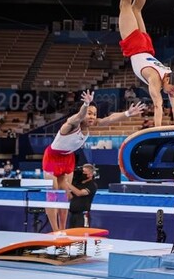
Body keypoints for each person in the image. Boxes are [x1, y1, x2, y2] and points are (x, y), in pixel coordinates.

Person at [43, 91, 145, 231]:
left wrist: (127, 113)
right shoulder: (70, 125)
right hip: (53, 157)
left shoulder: (92, 124)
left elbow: (108, 119)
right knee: (53, 195)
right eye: (89, 113)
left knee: (65, 195)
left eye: (94, 114)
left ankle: (62, 230)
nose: (92, 117)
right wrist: (86, 104)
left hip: (68, 157)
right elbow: (79, 116)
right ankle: (55, 231)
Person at [118, 0, 174, 128]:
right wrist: (157, 129)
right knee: (125, 4)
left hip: (146, 45)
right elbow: (158, 105)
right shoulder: (156, 81)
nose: (172, 93)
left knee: (136, 8)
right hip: (137, 46)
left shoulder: (166, 74)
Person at [65, 163, 98, 228]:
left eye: (84, 172)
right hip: (72, 214)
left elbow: (79, 193)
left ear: (90, 174)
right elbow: (70, 197)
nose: (82, 173)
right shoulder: (78, 183)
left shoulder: (92, 185)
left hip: (82, 214)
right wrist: (66, 187)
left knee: (81, 235)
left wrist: (68, 184)